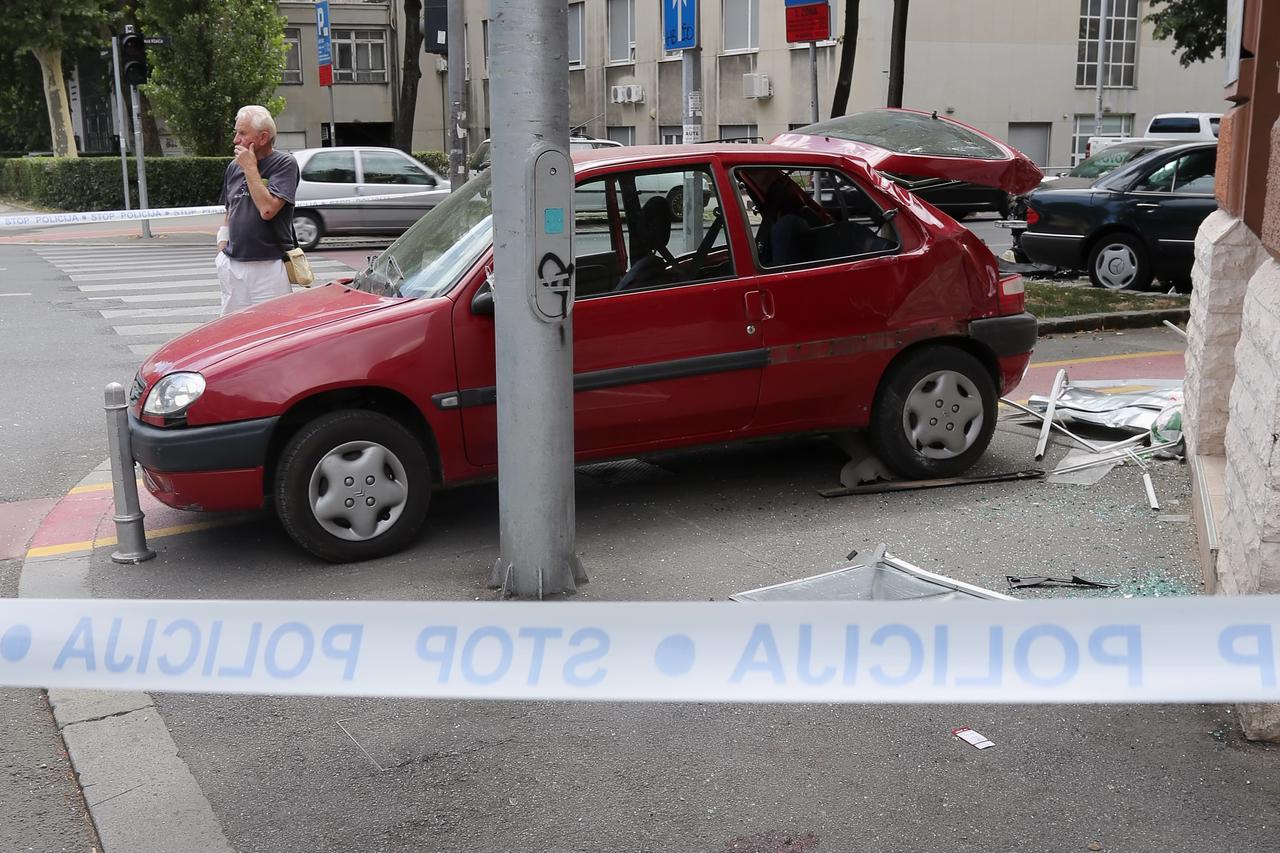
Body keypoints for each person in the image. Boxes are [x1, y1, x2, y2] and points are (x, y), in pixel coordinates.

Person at [215, 105, 299, 315]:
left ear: (263, 138)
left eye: (242, 133)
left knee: (274, 329)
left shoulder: (284, 164)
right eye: (236, 133)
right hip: (233, 263)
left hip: (269, 265)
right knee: (232, 329)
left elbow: (268, 209)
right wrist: (222, 248)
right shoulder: (234, 167)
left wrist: (250, 168)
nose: (236, 140)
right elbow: (230, 209)